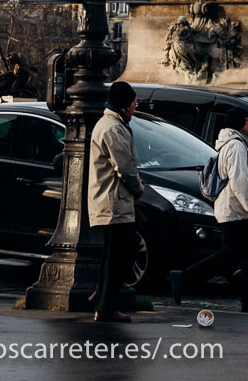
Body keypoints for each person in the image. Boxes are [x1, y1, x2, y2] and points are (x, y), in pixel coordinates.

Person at [169, 109, 248, 314]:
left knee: (242, 257)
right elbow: (239, 182)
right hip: (235, 211)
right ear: (240, 125)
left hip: (234, 210)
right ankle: (183, 278)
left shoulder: (235, 145)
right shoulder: (236, 147)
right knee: (238, 257)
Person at [88, 81, 144, 323]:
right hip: (114, 201)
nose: (135, 107)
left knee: (115, 254)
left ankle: (101, 295)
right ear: (125, 104)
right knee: (122, 254)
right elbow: (125, 166)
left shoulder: (112, 124)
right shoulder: (113, 128)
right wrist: (138, 187)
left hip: (113, 200)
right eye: (133, 102)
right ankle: (106, 305)